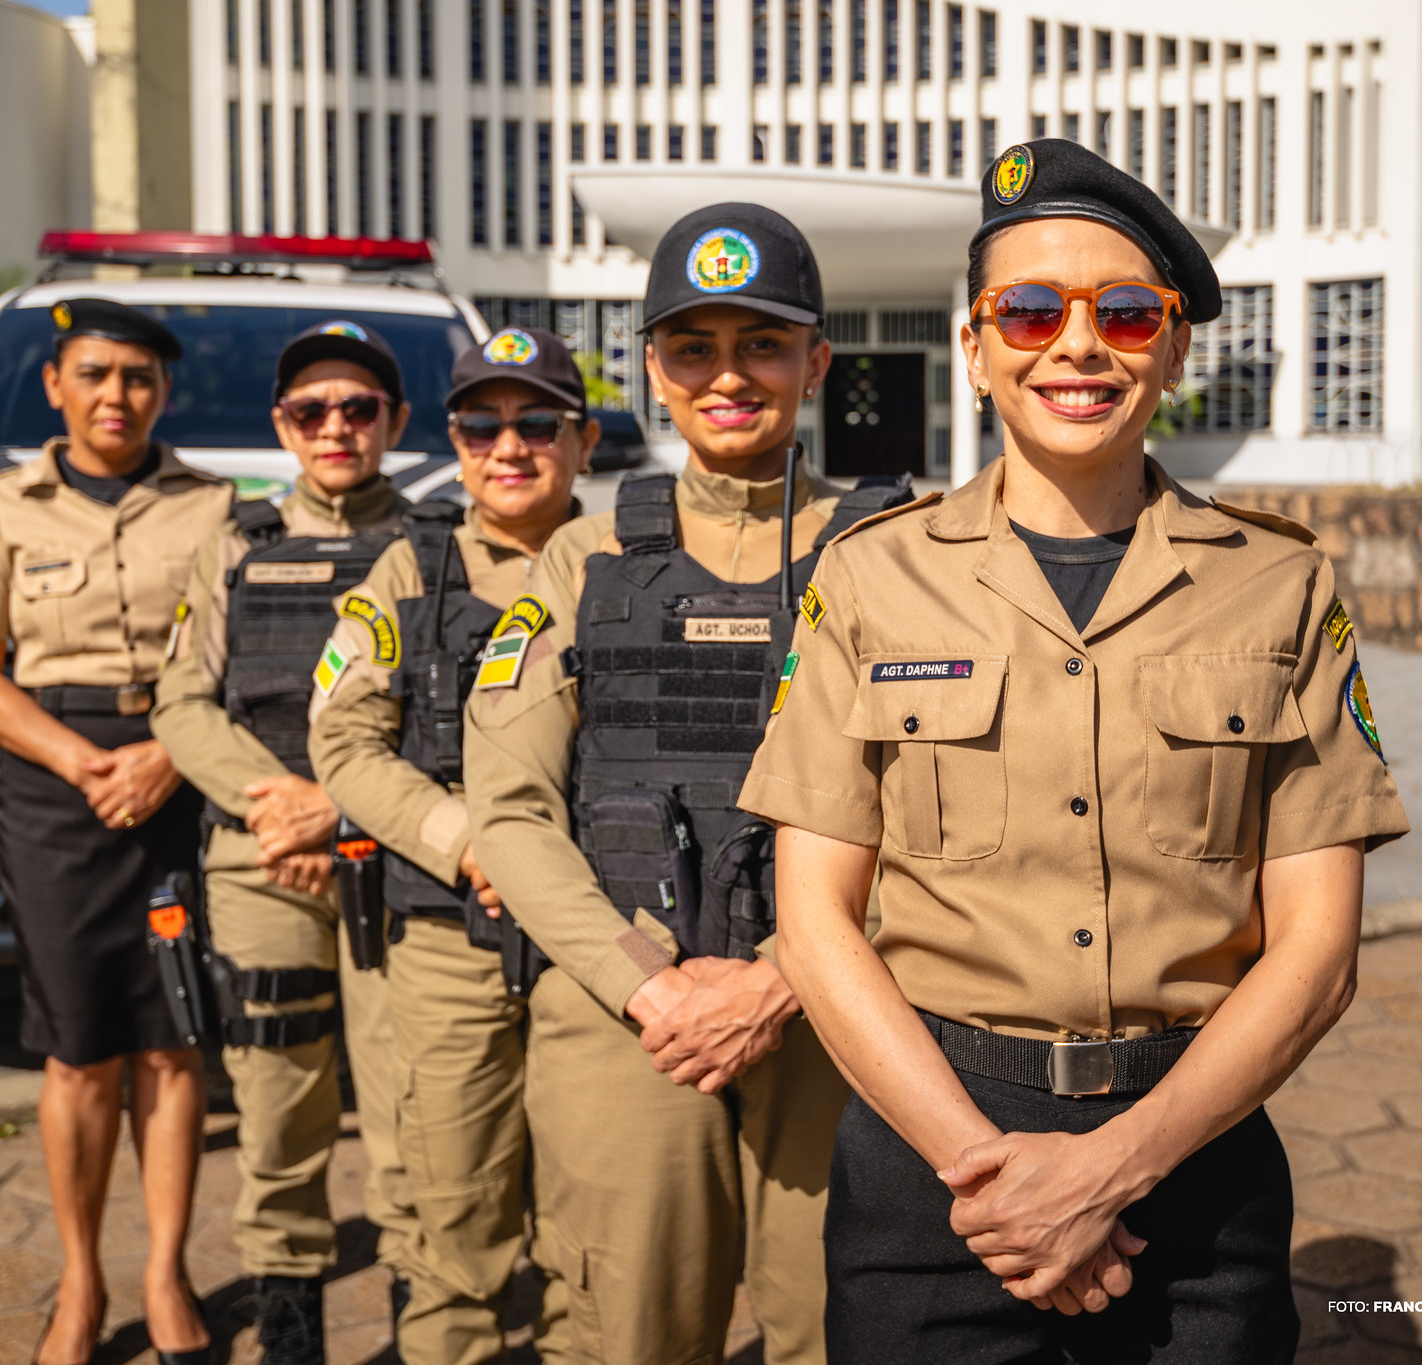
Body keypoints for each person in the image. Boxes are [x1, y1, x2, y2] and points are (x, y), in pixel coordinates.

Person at [738, 138, 1413, 1363]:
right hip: (929, 1161)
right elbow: (815, 921)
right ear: (974, 347)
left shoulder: (1277, 584)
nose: (1079, 345)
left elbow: (1316, 954)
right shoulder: (870, 576)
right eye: (1031, 310)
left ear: (1175, 347)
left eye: (1126, 313)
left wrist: (1111, 1168)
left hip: (1192, 1158)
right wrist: (988, 1175)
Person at [462, 205, 904, 1365]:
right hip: (627, 1017)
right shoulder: (582, 559)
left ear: (815, 361)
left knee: (839, 1326)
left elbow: (943, 806)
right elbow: (508, 806)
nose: (728, 376)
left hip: (840, 1013)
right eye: (692, 348)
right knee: (633, 1330)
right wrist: (649, 989)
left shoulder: (895, 554)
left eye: (762, 344)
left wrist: (778, 980)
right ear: (653, 370)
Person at [0, 298, 230, 1365]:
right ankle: (81, 1279)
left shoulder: (215, 507)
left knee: (170, 1039)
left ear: (163, 391)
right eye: (96, 374)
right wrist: (84, 763)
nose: (117, 396)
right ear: (55, 384)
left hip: (179, 779)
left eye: (138, 377)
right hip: (58, 795)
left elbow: (238, 656)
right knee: (77, 1050)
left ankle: (164, 1273)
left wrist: (167, 755)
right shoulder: (2, 507)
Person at [305, 326, 594, 1363]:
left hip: (589, 939)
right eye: (481, 425)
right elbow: (341, 738)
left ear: (583, 439)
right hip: (446, 932)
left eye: (537, 423)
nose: (508, 446)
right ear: (455, 441)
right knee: (449, 1214)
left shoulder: (627, 560)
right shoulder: (407, 567)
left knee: (591, 1221)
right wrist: (469, 840)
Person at [150, 321, 421, 1365]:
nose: (335, 427)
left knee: (410, 1100)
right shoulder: (235, 544)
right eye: (312, 410)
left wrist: (342, 808)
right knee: (274, 1100)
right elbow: (181, 703)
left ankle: (423, 1313)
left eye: (358, 408)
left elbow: (449, 716)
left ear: (394, 420)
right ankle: (291, 1322)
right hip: (263, 857)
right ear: (283, 425)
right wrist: (279, 805)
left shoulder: (434, 545)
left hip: (393, 858)